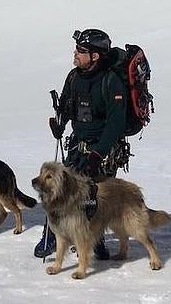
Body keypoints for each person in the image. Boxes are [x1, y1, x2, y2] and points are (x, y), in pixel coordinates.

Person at [34, 28, 127, 259]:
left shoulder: (111, 81)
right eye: (77, 49)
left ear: (95, 56)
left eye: (82, 50)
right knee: (61, 193)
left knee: (96, 197)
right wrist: (60, 123)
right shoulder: (74, 76)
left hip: (104, 151)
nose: (75, 53)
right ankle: (52, 237)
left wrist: (99, 153)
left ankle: (96, 240)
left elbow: (116, 123)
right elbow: (66, 104)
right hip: (77, 145)